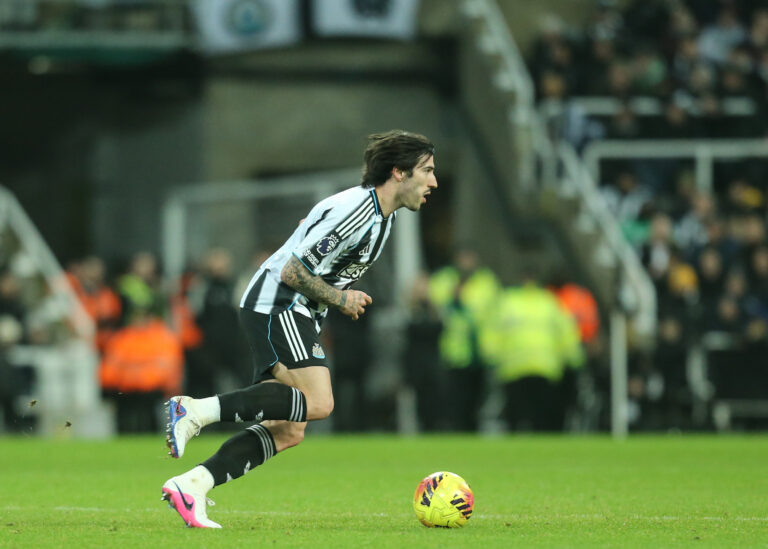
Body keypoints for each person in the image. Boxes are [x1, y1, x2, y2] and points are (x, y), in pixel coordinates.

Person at [161, 130, 437, 528]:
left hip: (293, 310)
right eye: (426, 171)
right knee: (321, 402)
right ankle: (196, 410)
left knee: (290, 429)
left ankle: (193, 485)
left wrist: (337, 291)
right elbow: (294, 271)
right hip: (278, 304)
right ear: (398, 173)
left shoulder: (380, 217)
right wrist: (341, 299)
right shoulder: (359, 210)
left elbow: (313, 253)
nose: (433, 182)